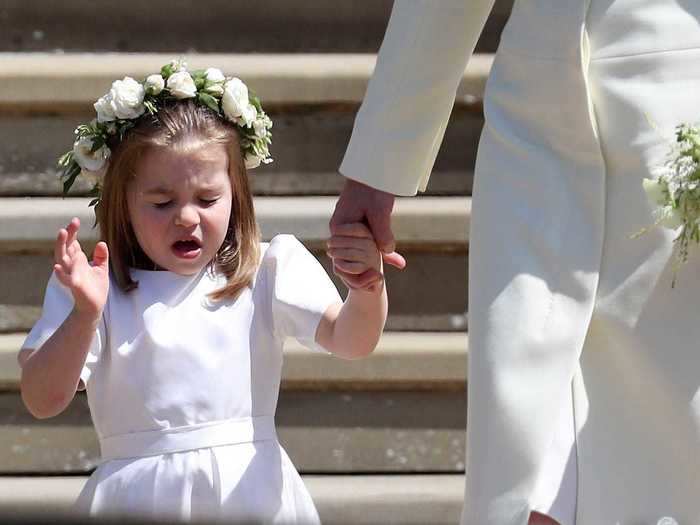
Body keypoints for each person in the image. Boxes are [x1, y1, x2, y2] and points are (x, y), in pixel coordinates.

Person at [331, 1, 700, 524]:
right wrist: (376, 167)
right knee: (523, 438)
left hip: (676, 105)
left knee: (661, 439)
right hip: (536, 119)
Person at [18, 61, 388, 524]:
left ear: (236, 195)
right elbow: (41, 398)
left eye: (208, 199)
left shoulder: (267, 268)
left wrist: (367, 288)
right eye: (161, 202)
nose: (188, 217)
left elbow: (352, 340)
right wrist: (84, 316)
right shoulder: (96, 288)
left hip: (250, 497)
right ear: (122, 201)